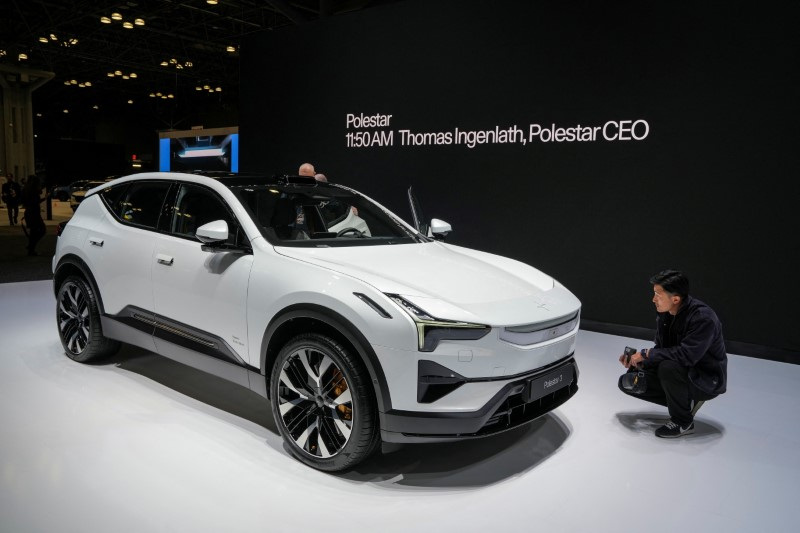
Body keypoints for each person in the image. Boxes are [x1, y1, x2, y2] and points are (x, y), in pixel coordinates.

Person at [618, 269, 727, 438]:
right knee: (629, 382)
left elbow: (686, 356)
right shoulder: (665, 314)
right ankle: (685, 401)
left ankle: (683, 421)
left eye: (657, 294)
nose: (653, 299)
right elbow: (662, 349)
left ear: (675, 298)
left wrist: (647, 354)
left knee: (668, 368)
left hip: (705, 379)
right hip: (681, 369)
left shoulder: (703, 318)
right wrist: (639, 362)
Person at [21, 174, 47, 256]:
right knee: (42, 230)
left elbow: (25, 202)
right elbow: (36, 202)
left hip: (28, 212)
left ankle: (31, 249)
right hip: (34, 213)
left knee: (33, 231)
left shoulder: (25, 189)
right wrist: (44, 198)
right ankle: (31, 246)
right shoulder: (34, 190)